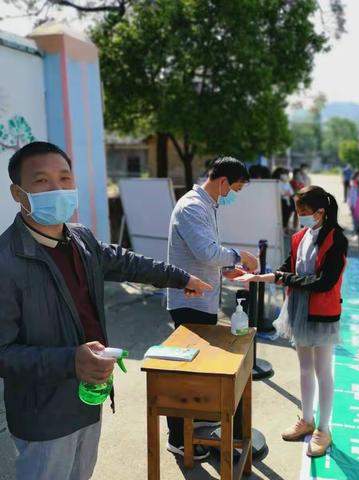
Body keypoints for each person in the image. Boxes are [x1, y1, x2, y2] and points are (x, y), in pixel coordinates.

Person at [0, 141, 212, 480]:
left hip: (89, 399)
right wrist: (70, 360)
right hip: (44, 416)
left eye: (65, 179)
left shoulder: (80, 239)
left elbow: (127, 263)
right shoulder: (6, 261)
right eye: (41, 181)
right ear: (17, 192)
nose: (58, 189)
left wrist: (181, 277)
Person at [235, 186, 347, 458]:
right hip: (297, 309)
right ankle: (306, 419)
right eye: (298, 212)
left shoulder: (336, 238)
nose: (301, 217)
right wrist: (259, 277)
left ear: (321, 212)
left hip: (321, 312)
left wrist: (282, 279)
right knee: (305, 369)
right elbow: (285, 270)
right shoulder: (299, 237)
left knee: (323, 370)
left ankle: (323, 428)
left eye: (305, 212)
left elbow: (325, 281)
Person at [167, 156, 258, 459]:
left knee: (198, 366)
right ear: (222, 182)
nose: (232, 196)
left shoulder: (207, 205)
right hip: (189, 301)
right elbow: (206, 252)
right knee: (185, 369)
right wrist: (238, 257)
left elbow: (205, 255)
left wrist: (226, 269)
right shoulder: (193, 206)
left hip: (202, 297)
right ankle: (178, 437)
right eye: (235, 189)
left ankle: (196, 415)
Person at [273, 168, 295, 233]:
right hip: (280, 202)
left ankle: (285, 229)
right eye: (283, 173)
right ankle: (281, 230)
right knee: (281, 216)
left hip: (288, 202)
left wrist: (286, 193)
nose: (285, 175)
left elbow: (291, 192)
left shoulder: (287, 183)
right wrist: (285, 193)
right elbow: (279, 193)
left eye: (285, 174)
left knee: (287, 216)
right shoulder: (277, 182)